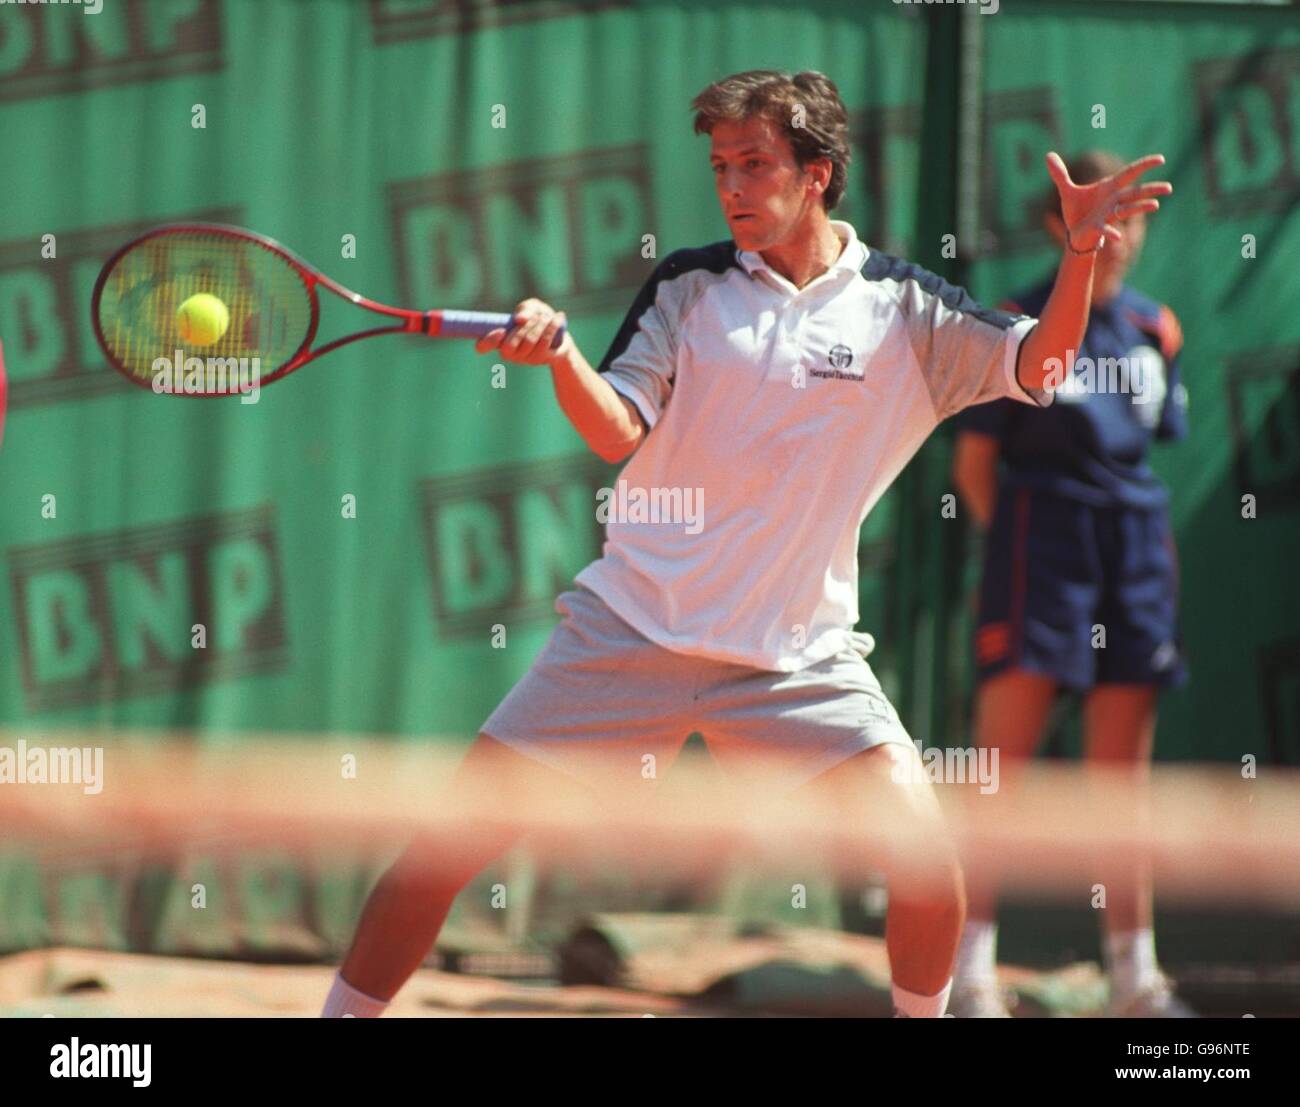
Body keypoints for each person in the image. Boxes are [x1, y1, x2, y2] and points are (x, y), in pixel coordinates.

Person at [322, 72, 1170, 1019]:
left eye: (754, 164)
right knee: (442, 850)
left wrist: (1083, 253)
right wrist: (562, 357)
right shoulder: (690, 286)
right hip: (632, 626)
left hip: (797, 660)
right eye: (721, 165)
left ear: (818, 174)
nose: (731, 185)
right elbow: (616, 432)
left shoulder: (906, 309)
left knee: (929, 867)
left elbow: (1042, 365)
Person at [949, 150, 1191, 1018]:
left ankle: (1135, 981)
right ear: (1060, 225)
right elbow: (975, 464)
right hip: (1038, 546)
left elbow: (1153, 439)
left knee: (1120, 780)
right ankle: (970, 977)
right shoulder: (1015, 318)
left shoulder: (1159, 329)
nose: (1118, 232)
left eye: (1132, 215)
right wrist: (1022, 552)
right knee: (998, 771)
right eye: (1098, 213)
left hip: (1135, 551)